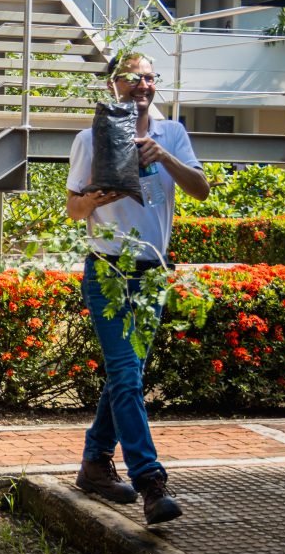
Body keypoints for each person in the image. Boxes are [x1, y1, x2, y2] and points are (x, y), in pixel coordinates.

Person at [66, 52, 209, 525]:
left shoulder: (172, 133)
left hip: (152, 273)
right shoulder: (91, 138)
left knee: (125, 375)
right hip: (107, 270)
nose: (142, 85)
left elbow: (201, 189)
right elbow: (73, 209)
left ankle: (94, 462)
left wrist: (163, 156)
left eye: (148, 78)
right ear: (114, 85)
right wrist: (95, 197)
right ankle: (150, 482)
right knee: (127, 375)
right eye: (132, 78)